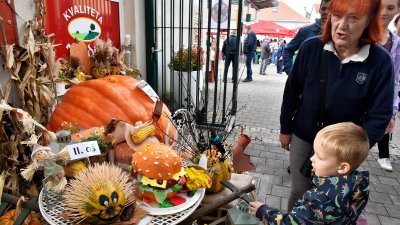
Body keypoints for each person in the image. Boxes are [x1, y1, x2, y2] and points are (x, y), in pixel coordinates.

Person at [279, 0, 394, 212]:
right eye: (338, 15)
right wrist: (285, 129)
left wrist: (353, 150)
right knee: (299, 191)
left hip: (342, 150)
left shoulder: (380, 62)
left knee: (331, 201)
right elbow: (292, 91)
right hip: (304, 136)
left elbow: (380, 114)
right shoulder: (311, 48)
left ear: (369, 21)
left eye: (353, 18)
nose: (342, 25)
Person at [250, 122, 370, 224]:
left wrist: (264, 212)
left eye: (320, 157)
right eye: (314, 153)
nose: (312, 158)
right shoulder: (358, 184)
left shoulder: (320, 200)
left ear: (343, 167)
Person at [376, 0, 400, 171]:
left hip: (384, 98)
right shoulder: (359, 37)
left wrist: (392, 110)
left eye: (390, 8)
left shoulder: (397, 44)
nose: (384, 12)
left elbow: (395, 80)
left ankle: (383, 155)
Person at [283, 0, 331, 75]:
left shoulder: (339, 34)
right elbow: (288, 50)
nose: (326, 12)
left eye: (330, 9)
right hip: (307, 83)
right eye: (323, 9)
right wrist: (291, 72)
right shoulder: (306, 31)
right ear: (319, 10)